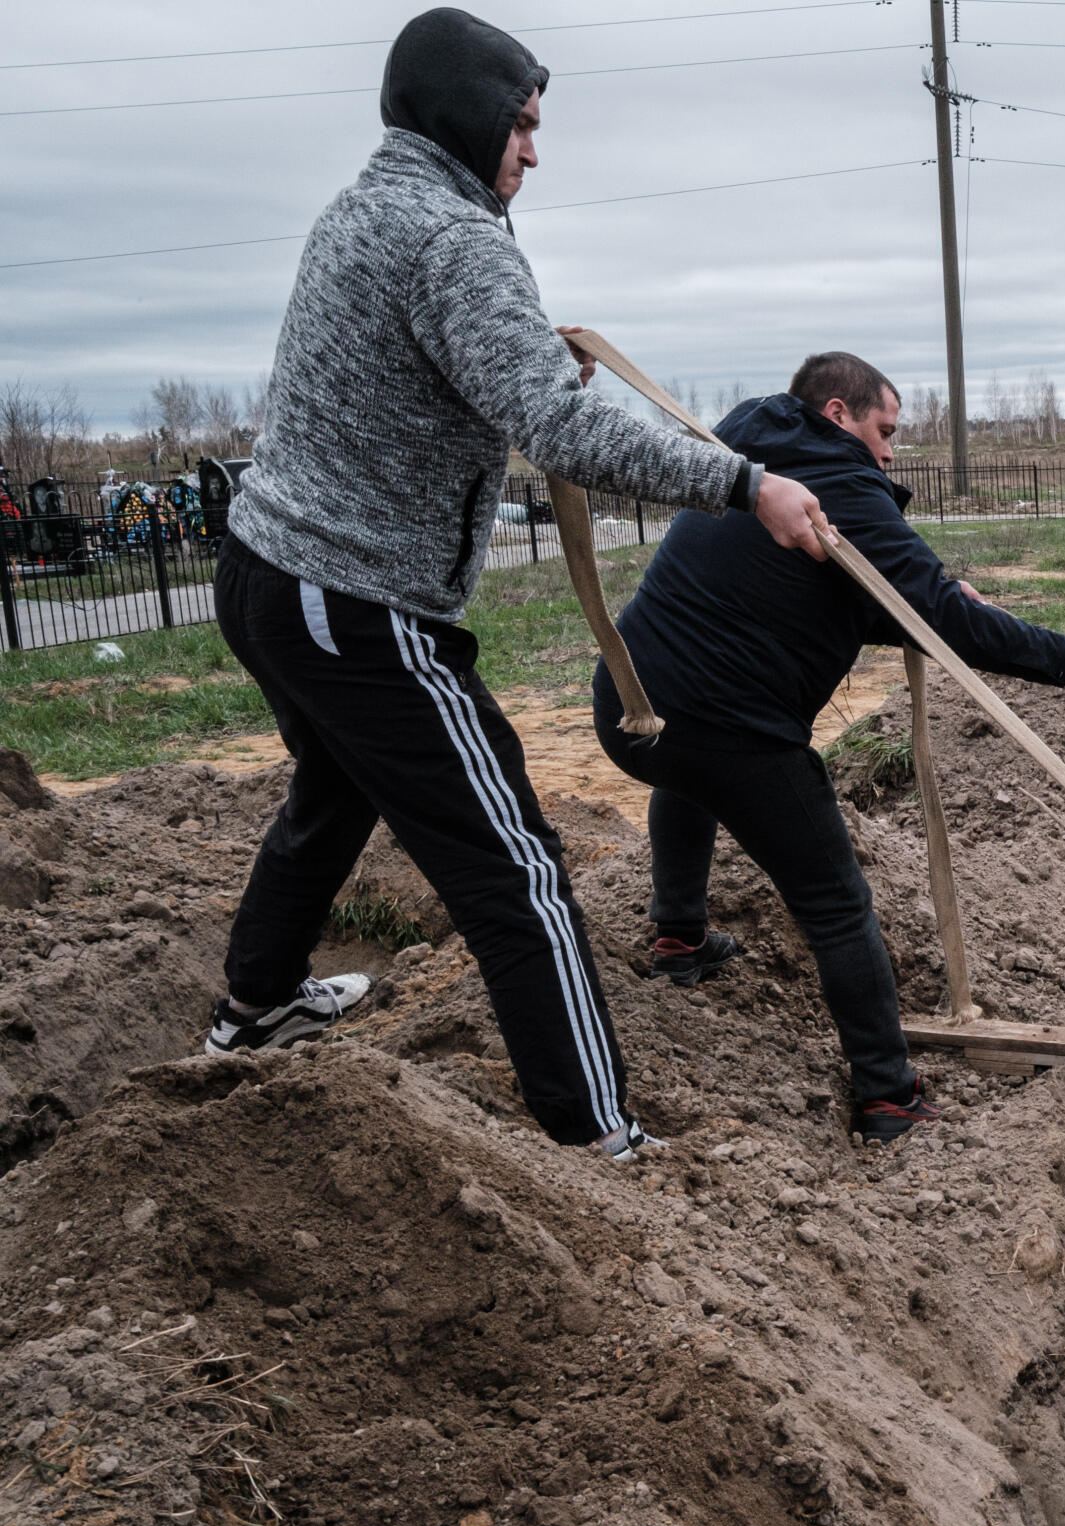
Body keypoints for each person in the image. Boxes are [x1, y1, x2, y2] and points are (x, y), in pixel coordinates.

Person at [205, 7, 836, 1161]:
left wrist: (529, 350)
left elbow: (442, 361)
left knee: (333, 796)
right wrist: (749, 486)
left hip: (267, 574)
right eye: (522, 124)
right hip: (352, 600)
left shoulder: (369, 206)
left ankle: (251, 1011)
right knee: (517, 874)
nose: (533, 151)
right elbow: (561, 430)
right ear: (467, 114)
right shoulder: (451, 237)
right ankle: (598, 1139)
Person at [592, 354, 1065, 1143]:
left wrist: (925, 598)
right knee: (837, 904)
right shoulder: (840, 480)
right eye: (886, 430)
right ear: (839, 414)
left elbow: (842, 588)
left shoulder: (750, 443)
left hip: (628, 703)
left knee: (689, 771)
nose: (891, 450)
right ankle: (888, 1095)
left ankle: (680, 937)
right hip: (735, 729)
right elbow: (941, 617)